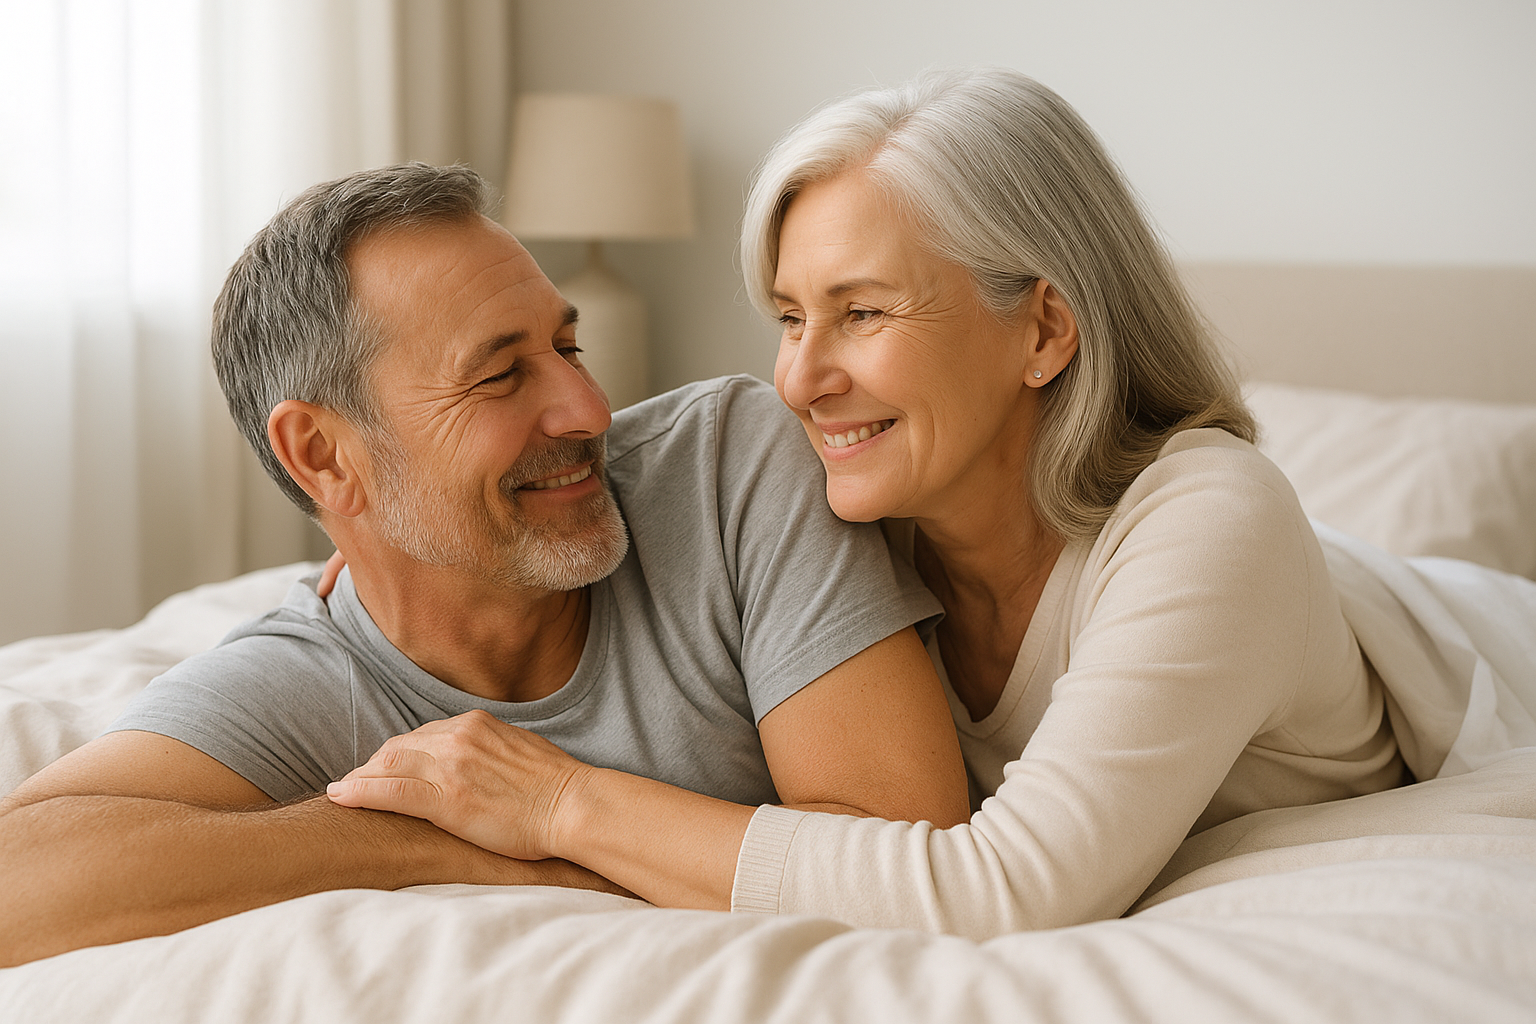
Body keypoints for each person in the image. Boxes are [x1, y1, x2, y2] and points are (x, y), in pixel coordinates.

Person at [322, 70, 1414, 939]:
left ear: (1043, 330)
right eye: (793, 317)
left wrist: (562, 804)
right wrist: (417, 549)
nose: (800, 381)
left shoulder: (1210, 521)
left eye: (864, 313)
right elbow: (668, 476)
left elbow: (1005, 891)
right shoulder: (846, 510)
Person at [0, 163, 969, 967]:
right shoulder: (303, 679)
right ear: (325, 458)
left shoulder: (726, 465)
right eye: (502, 375)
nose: (588, 408)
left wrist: (556, 807)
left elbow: (902, 853)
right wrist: (422, 841)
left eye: (567, 343)